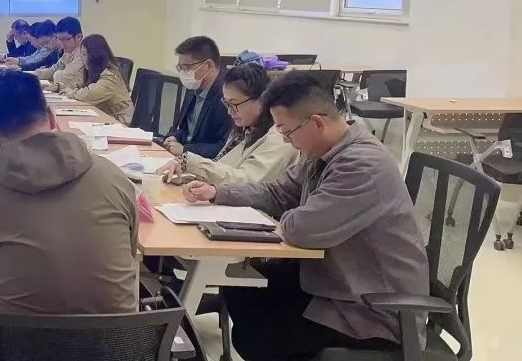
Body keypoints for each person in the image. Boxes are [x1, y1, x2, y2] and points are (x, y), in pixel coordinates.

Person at [182, 72, 428, 361]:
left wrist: (288, 216)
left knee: (264, 332)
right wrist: (218, 193)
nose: (286, 141)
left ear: (317, 123)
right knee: (241, 287)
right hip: (333, 282)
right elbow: (276, 192)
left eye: (287, 132)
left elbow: (302, 229)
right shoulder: (322, 152)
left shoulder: (362, 166)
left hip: (369, 309)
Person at [0, 69, 139, 316]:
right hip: (119, 338)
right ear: (51, 115)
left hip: (16, 339)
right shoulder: (111, 177)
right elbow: (130, 250)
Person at [157, 63, 297, 185]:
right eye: (226, 103)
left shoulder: (279, 139)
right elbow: (222, 168)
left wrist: (191, 162)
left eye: (234, 104)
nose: (229, 112)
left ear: (262, 100)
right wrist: (187, 177)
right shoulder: (245, 129)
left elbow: (245, 182)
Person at [160, 35, 231, 158]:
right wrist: (175, 136)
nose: (184, 73)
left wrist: (185, 149)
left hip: (205, 163)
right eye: (181, 68)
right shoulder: (194, 85)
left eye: (187, 67)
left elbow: (225, 147)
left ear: (208, 66)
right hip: (182, 158)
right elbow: (185, 128)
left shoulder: (227, 95)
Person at [59, 34, 133, 125]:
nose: (82, 58)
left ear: (95, 56)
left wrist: (70, 92)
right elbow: (76, 84)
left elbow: (88, 95)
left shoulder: (110, 76)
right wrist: (59, 87)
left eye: (84, 54)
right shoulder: (92, 71)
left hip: (121, 121)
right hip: (104, 115)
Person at [35, 16, 86, 90]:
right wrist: (34, 74)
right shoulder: (68, 51)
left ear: (78, 37)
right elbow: (54, 69)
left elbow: (64, 79)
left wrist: (56, 74)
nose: (62, 43)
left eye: (65, 39)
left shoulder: (84, 53)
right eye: (59, 39)